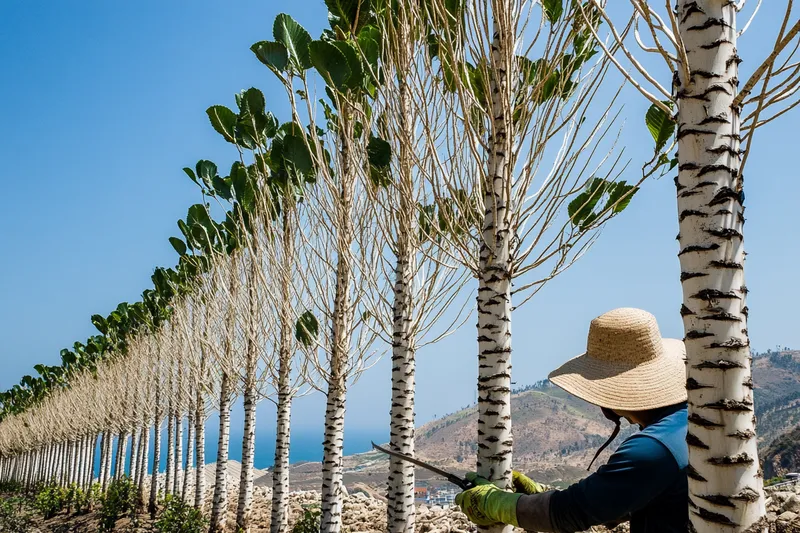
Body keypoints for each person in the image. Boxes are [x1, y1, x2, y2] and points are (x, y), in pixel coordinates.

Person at [455, 308, 689, 532]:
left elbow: (572, 511)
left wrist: (496, 504)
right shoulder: (690, 426)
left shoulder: (654, 448)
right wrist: (543, 495)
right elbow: (614, 502)